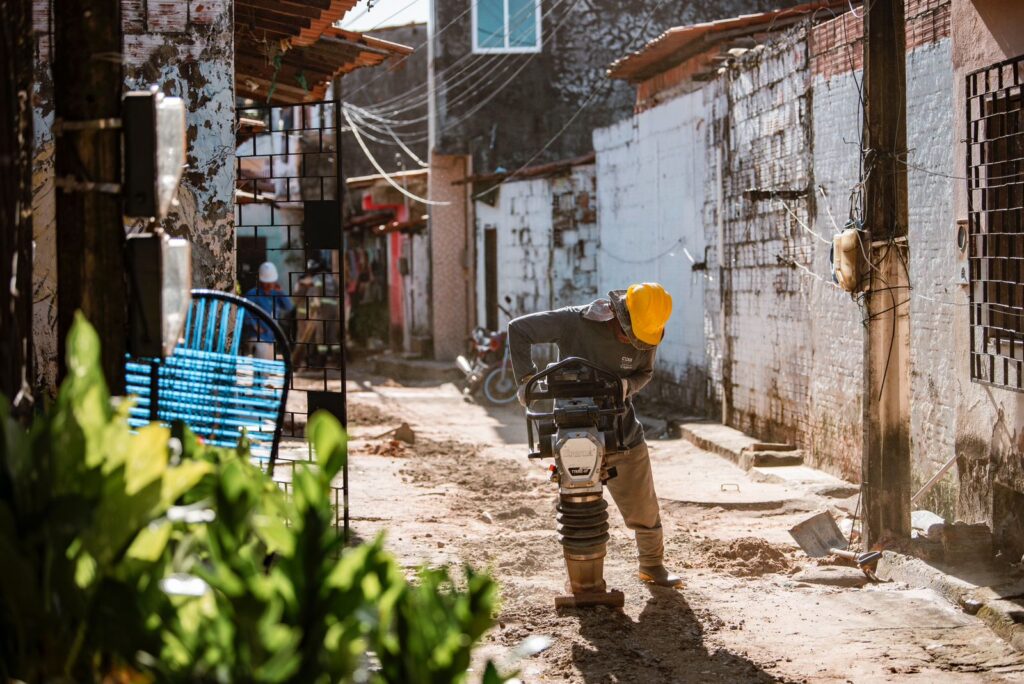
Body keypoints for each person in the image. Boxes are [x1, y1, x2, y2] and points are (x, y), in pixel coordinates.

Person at [508, 282, 683, 588]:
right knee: (578, 504)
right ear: (618, 314)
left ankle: (652, 566)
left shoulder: (648, 331)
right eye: (630, 335)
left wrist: (627, 386)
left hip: (619, 424)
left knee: (643, 502)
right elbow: (519, 329)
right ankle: (581, 574)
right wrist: (526, 380)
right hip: (572, 423)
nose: (636, 344)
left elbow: (645, 372)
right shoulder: (575, 321)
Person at [243, 262, 294, 360]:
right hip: (258, 337)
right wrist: (254, 325)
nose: (269, 285)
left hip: (271, 338)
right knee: (260, 369)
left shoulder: (276, 294)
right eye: (266, 282)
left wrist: (281, 292)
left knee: (267, 371)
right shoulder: (253, 294)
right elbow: (244, 311)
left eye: (271, 282)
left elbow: (289, 307)